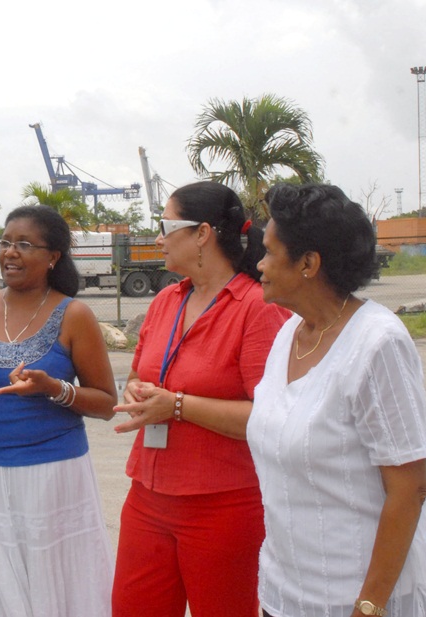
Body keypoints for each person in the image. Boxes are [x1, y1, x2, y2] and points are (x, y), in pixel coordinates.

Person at [248, 183, 426, 617]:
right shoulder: (288, 336)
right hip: (289, 592)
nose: (258, 264)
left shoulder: (377, 343)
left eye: (268, 251)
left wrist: (369, 606)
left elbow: (409, 489)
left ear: (308, 263)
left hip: (359, 597)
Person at [111, 181, 290, 617]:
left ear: (202, 234)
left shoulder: (257, 308)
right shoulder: (165, 301)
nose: (158, 237)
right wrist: (139, 392)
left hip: (222, 505)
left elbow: (271, 418)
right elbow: (138, 376)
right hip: (147, 497)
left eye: (166, 225)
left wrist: (176, 406)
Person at [0, 204, 117, 617]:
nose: (10, 253)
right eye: (5, 242)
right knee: (9, 573)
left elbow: (107, 403)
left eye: (25, 244)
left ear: (53, 256)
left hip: (56, 472)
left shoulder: (74, 315)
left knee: (62, 573)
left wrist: (54, 389)